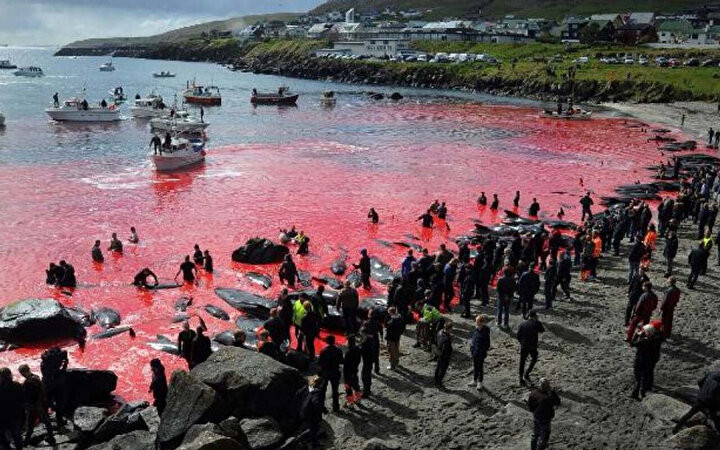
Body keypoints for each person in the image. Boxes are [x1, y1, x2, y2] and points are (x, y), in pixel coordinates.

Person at [673, 369, 720, 434]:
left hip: (701, 398)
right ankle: (717, 432)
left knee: (690, 413)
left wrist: (702, 390)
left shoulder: (711, 373)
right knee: (715, 418)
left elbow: (699, 381)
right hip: (711, 402)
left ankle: (676, 428)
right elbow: (717, 396)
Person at [18, 364, 54, 446]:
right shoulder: (36, 377)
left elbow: (27, 397)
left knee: (30, 425)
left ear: (23, 372)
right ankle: (52, 438)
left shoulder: (27, 383)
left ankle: (26, 442)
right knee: (46, 422)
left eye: (21, 373)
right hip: (41, 404)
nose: (21, 374)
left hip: (33, 407)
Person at [630, 322, 662, 399]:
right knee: (646, 376)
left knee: (638, 378)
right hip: (650, 361)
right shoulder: (657, 339)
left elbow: (633, 343)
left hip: (640, 361)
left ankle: (636, 393)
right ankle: (644, 392)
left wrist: (637, 335)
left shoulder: (643, 341)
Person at [528, 378, 561, 450]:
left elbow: (530, 407)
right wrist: (553, 392)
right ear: (548, 386)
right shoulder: (549, 396)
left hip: (536, 416)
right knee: (544, 437)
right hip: (546, 419)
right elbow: (557, 402)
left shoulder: (533, 393)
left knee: (535, 434)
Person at [40, 347, 69, 428]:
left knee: (47, 402)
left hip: (46, 384)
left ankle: (45, 420)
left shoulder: (44, 362)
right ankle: (59, 421)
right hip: (57, 385)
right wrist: (64, 366)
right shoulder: (54, 363)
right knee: (60, 402)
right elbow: (60, 374)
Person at [299, 375, 327, 448]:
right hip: (311, 413)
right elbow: (316, 402)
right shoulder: (317, 391)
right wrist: (322, 410)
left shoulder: (307, 387)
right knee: (314, 428)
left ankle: (309, 441)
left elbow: (298, 393)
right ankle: (311, 443)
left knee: (311, 427)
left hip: (303, 410)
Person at [517, 311, 545, 386]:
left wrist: (521, 342)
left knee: (522, 361)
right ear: (535, 316)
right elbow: (542, 330)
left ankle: (520, 379)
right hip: (532, 345)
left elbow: (518, 335)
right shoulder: (536, 323)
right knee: (534, 358)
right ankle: (527, 373)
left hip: (524, 345)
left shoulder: (522, 324)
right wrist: (538, 321)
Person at [0, 368, 25, 450]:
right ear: (10, 375)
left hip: (2, 417)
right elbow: (22, 400)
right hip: (16, 415)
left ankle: (6, 447)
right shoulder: (17, 385)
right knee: (17, 435)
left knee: (2, 436)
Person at [317, 336, 343, 412]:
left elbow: (319, 363)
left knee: (322, 390)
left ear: (327, 342)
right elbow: (341, 361)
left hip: (325, 372)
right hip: (335, 371)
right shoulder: (338, 350)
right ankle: (336, 407)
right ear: (334, 341)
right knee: (335, 390)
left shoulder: (323, 350)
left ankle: (321, 407)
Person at [469, 315, 490, 391]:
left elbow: (487, 344)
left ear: (481, 322)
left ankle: (480, 382)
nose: (476, 322)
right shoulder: (476, 330)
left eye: (477, 321)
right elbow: (473, 340)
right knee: (475, 366)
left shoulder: (485, 332)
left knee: (480, 367)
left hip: (481, 353)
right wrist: (472, 349)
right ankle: (474, 380)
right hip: (475, 352)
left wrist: (482, 351)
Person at [434, 321, 453, 388]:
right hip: (444, 356)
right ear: (449, 329)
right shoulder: (447, 338)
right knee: (442, 370)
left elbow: (436, 341)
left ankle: (435, 381)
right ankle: (439, 382)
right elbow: (446, 349)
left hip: (438, 352)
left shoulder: (439, 332)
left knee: (438, 367)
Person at [360, 330, 375, 397]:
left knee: (364, 377)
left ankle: (366, 392)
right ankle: (367, 389)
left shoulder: (365, 343)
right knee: (368, 376)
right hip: (370, 361)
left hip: (367, 361)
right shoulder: (371, 340)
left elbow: (362, 351)